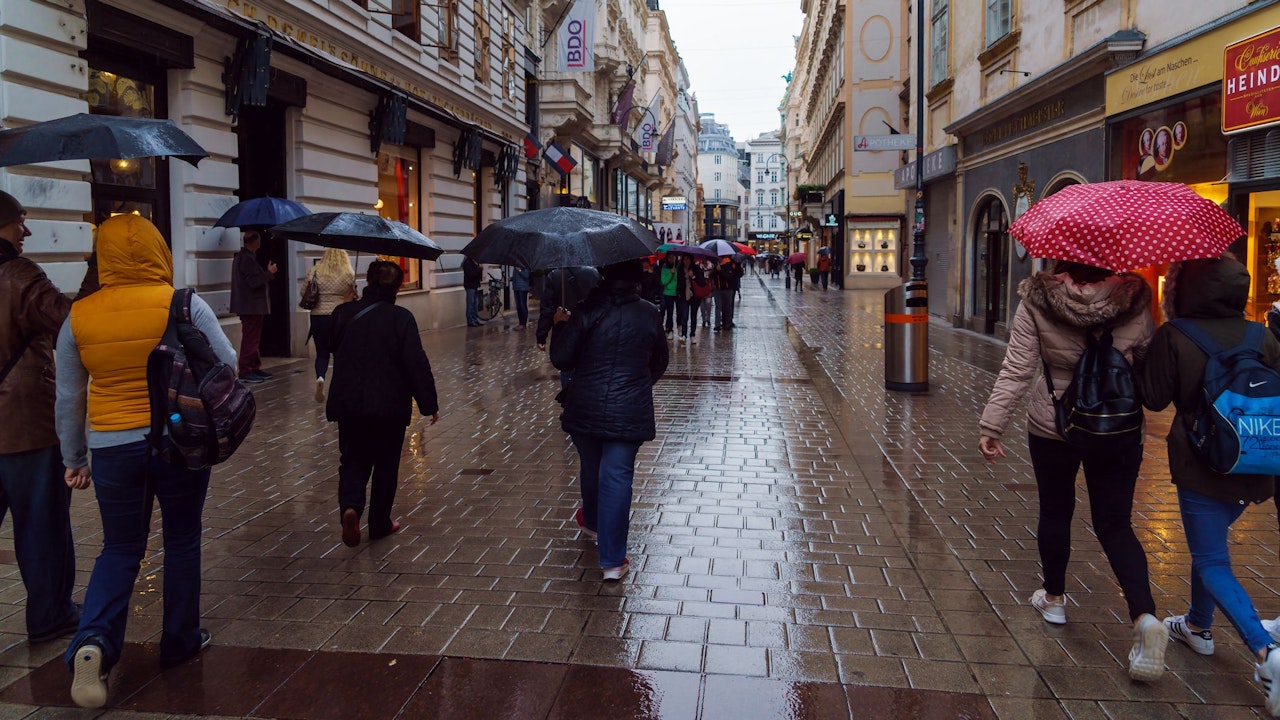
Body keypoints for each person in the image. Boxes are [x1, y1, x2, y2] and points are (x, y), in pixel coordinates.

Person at [56, 214, 235, 708]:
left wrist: (75, 457)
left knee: (119, 547)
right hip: (178, 441)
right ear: (159, 250)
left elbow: (69, 397)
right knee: (181, 540)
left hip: (112, 447)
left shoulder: (80, 315)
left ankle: (93, 643)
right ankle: (178, 640)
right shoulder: (181, 302)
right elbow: (229, 364)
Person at [978, 259, 1166, 683]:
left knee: (1056, 511)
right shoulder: (1134, 301)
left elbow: (1018, 368)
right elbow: (1147, 366)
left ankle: (1056, 598)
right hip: (1117, 425)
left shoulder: (1037, 300)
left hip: (1053, 424)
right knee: (1116, 524)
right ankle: (1145, 617)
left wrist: (993, 426)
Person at [1141, 257, 1280, 714]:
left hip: (1203, 464)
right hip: (1259, 460)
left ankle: (1266, 654)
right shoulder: (1261, 333)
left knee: (1211, 559)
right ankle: (1199, 627)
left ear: (1184, 289)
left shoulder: (1175, 334)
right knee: (1211, 547)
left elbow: (1155, 397)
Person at [550, 259, 668, 581]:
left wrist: (560, 324)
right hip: (628, 410)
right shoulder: (648, 313)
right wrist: (634, 384)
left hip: (586, 406)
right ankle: (613, 561)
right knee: (616, 476)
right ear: (635, 278)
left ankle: (590, 522)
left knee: (591, 464)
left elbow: (561, 358)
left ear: (603, 275)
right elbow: (660, 363)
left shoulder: (586, 309)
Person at [0, 191, 80, 648]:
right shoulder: (19, 276)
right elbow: (69, 321)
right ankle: (50, 614)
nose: (25, 231)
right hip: (25, 426)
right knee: (41, 524)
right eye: (18, 222)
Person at [326, 261, 439, 548]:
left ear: (367, 282)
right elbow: (415, 364)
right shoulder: (401, 318)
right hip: (388, 406)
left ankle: (350, 507)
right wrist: (429, 403)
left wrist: (346, 306)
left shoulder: (343, 313)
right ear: (397, 288)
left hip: (350, 402)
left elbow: (329, 345)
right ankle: (379, 523)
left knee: (352, 459)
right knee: (386, 464)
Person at [304, 248, 356, 403]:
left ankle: (320, 377)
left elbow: (303, 292)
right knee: (340, 352)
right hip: (339, 316)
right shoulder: (348, 273)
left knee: (322, 353)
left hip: (318, 316)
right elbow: (351, 294)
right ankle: (340, 386)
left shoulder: (315, 271)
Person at [537, 266, 601, 391]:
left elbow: (547, 309)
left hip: (565, 331)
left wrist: (541, 336)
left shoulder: (555, 276)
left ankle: (568, 402)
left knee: (567, 367)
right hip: (590, 330)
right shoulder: (594, 274)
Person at [229, 228, 276, 383]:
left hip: (250, 305)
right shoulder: (246, 259)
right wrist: (269, 273)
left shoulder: (246, 258)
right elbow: (254, 282)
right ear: (255, 242)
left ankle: (254, 367)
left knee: (254, 338)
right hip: (250, 306)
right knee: (250, 338)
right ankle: (245, 370)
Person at [659, 255, 678, 337]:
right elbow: (664, 281)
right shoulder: (664, 267)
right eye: (670, 257)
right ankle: (669, 328)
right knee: (669, 312)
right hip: (668, 292)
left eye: (673, 257)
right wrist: (671, 273)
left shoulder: (678, 267)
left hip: (677, 293)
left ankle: (678, 327)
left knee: (679, 312)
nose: (671, 259)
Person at [462, 255, 483, 327]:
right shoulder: (467, 262)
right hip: (470, 286)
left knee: (475, 304)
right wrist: (479, 269)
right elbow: (471, 274)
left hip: (475, 285)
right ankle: (470, 320)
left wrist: (480, 269)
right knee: (470, 303)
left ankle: (475, 319)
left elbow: (477, 275)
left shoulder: (475, 262)